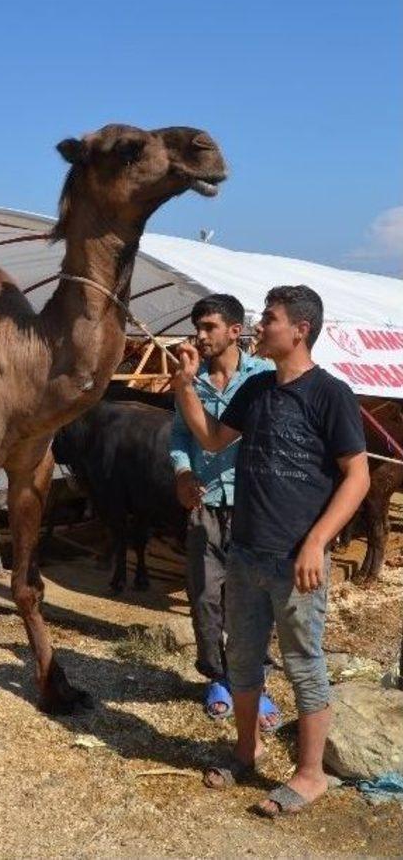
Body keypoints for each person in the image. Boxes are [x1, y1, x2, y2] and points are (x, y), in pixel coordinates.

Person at [172, 285, 369, 817]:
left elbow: (358, 475)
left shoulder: (330, 394)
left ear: (300, 330)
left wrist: (317, 542)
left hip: (296, 561)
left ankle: (310, 775)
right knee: (241, 658)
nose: (261, 326)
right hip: (246, 554)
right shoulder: (256, 391)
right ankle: (247, 748)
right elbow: (211, 440)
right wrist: (185, 386)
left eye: (271, 319)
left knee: (304, 663)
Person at [169, 294, 279, 730]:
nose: (200, 335)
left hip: (253, 505)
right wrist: (181, 472)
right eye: (198, 326)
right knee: (204, 594)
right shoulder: (189, 381)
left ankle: (254, 681)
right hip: (204, 503)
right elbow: (180, 435)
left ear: (236, 331)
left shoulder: (264, 376)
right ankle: (217, 677)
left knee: (253, 598)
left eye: (210, 326)